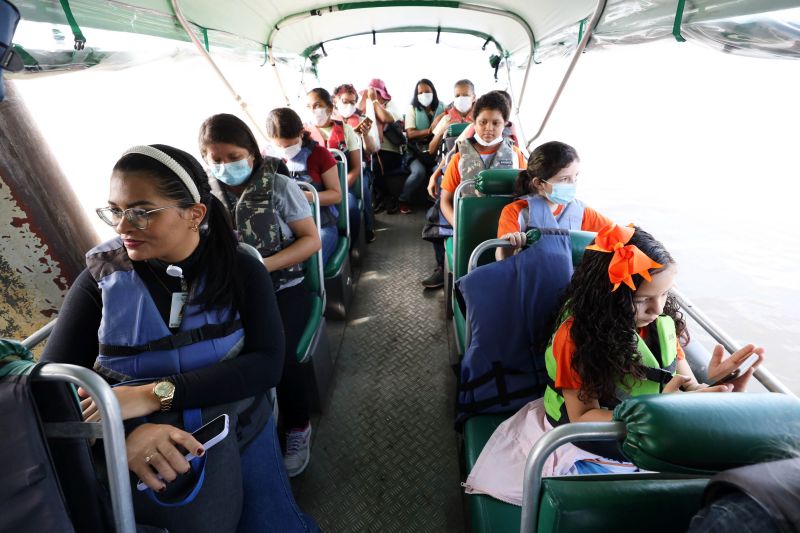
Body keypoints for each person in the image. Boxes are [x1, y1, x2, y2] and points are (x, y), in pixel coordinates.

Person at [41, 144, 317, 532]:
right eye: (116, 211)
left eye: (141, 212)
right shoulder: (98, 282)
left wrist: (152, 395)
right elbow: (50, 385)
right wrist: (123, 436)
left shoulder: (241, 268)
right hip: (133, 445)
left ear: (194, 214)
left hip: (236, 426)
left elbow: (267, 364)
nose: (122, 226)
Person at [464, 223, 765, 505]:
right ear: (610, 297)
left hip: (652, 424)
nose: (657, 308)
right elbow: (581, 417)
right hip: (591, 437)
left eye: (664, 294)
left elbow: (685, 385)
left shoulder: (662, 323)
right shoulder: (575, 337)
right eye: (642, 299)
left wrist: (716, 386)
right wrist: (658, 411)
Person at [198, 113, 321, 478]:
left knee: (280, 356)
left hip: (283, 287)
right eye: (215, 159)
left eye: (232, 157)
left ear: (251, 152)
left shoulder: (280, 187)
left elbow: (311, 241)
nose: (224, 166)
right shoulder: (203, 197)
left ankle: (298, 425)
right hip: (228, 292)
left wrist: (261, 267)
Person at [421, 91, 525, 289]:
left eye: (496, 123)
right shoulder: (459, 158)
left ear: (505, 124)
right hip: (466, 228)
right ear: (474, 123)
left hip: (506, 233)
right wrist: (458, 225)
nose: (489, 128)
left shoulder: (516, 156)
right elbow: (445, 200)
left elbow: (525, 197)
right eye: (483, 122)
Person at [495, 141, 614, 261]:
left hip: (573, 278)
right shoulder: (516, 212)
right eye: (564, 179)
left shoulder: (581, 212)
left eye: (575, 176)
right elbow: (502, 258)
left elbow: (616, 233)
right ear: (539, 183)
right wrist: (510, 245)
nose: (572, 184)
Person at [265, 107, 342, 265]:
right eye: (280, 146)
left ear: (301, 133)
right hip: (287, 227)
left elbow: (336, 195)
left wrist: (302, 195)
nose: (285, 151)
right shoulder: (267, 159)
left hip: (322, 224)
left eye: (289, 145)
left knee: (309, 261)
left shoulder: (320, 154)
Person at [306, 87, 363, 241]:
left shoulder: (346, 130)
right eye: (309, 106)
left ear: (330, 108)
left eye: (317, 105)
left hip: (342, 185)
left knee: (350, 207)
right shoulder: (303, 133)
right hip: (315, 188)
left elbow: (356, 167)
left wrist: (342, 187)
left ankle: (352, 244)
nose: (313, 110)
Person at [333, 83, 378, 242]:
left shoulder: (361, 121)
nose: (349, 106)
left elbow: (371, 150)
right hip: (332, 171)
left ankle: (368, 227)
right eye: (345, 101)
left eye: (352, 102)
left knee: (363, 189)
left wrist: (365, 136)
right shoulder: (330, 122)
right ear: (335, 101)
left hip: (358, 168)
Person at [357, 78, 405, 214]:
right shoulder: (366, 105)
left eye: (377, 93)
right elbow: (357, 114)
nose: (374, 94)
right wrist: (366, 98)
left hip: (390, 149)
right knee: (369, 163)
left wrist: (374, 101)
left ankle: (387, 197)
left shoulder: (391, 105)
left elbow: (385, 119)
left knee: (378, 164)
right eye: (372, 92)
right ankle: (380, 197)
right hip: (368, 146)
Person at [401, 78, 445, 214]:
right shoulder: (412, 109)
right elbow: (410, 134)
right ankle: (403, 199)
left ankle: (434, 201)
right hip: (415, 153)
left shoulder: (443, 108)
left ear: (434, 92)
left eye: (427, 91)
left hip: (435, 153)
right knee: (418, 173)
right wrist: (430, 131)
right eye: (420, 92)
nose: (424, 95)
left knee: (439, 173)